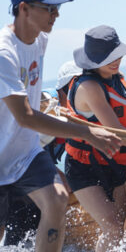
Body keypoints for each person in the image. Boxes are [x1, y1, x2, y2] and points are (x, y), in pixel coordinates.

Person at [0, 0, 122, 252]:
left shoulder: (40, 40)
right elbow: (25, 116)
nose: (56, 15)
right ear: (23, 8)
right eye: (49, 8)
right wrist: (87, 132)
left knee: (57, 198)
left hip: (26, 154)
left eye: (57, 8)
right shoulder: (4, 53)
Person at [64, 25, 126, 252]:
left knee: (119, 229)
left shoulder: (118, 79)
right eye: (107, 58)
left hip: (115, 165)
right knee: (113, 227)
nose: (115, 61)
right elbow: (115, 131)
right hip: (84, 167)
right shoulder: (89, 87)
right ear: (92, 61)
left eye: (117, 55)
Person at [3, 61, 81, 247]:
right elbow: (26, 144)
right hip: (17, 177)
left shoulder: (78, 111)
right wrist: (58, 175)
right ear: (68, 86)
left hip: (36, 183)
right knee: (16, 239)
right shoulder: (47, 100)